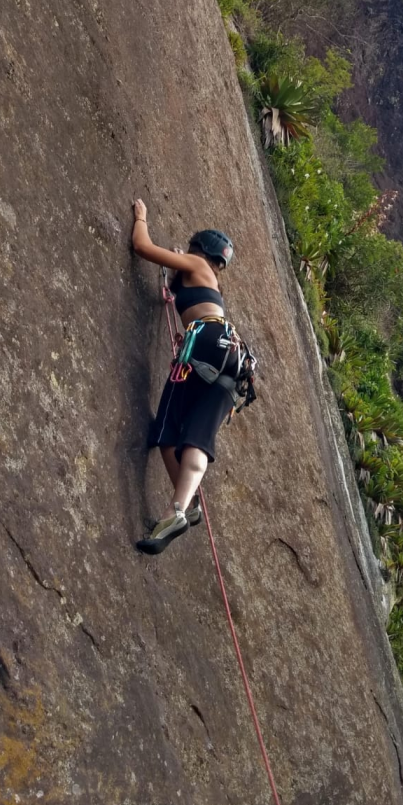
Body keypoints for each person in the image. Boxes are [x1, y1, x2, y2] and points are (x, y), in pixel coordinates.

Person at [131, 197, 247, 555]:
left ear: (199, 249)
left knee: (167, 427)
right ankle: (182, 507)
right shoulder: (211, 286)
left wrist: (142, 217)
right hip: (237, 359)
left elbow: (142, 247)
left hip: (205, 340)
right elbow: (173, 292)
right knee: (196, 436)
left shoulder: (195, 262)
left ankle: (182, 509)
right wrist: (174, 280)